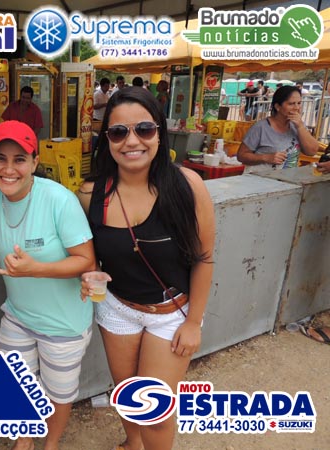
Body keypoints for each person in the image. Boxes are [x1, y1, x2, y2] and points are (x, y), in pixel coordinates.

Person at [76, 87, 215, 450]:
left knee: (155, 414)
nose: (132, 141)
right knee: (128, 398)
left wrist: (193, 322)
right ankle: (132, 444)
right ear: (107, 139)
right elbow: (86, 257)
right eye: (118, 132)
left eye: (144, 129)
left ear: (159, 133)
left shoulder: (187, 185)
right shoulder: (90, 193)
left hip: (171, 314)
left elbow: (204, 258)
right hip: (117, 309)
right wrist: (86, 275)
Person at [0, 120, 96, 450]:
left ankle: (51, 444)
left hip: (63, 325)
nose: (8, 169)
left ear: (35, 162)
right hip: (18, 317)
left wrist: (37, 269)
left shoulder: (59, 200)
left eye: (19, 159)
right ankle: (25, 440)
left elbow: (86, 261)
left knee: (58, 395)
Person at [237, 85, 319, 173]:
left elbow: (312, 151)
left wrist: (300, 126)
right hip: (260, 178)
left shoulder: (298, 126)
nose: (296, 108)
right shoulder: (261, 127)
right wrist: (265, 157)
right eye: (291, 104)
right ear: (277, 107)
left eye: (299, 103)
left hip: (287, 179)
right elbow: (241, 156)